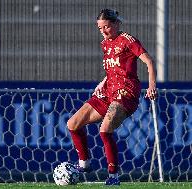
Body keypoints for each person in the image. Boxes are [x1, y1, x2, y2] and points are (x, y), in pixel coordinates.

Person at [67, 9, 157, 185]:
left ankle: (113, 176)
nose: (104, 31)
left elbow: (149, 61)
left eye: (107, 27)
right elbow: (113, 69)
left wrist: (152, 85)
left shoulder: (127, 40)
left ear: (116, 24)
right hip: (108, 92)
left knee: (104, 130)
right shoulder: (105, 44)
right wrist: (103, 82)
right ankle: (84, 164)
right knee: (72, 124)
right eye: (100, 28)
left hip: (126, 93)